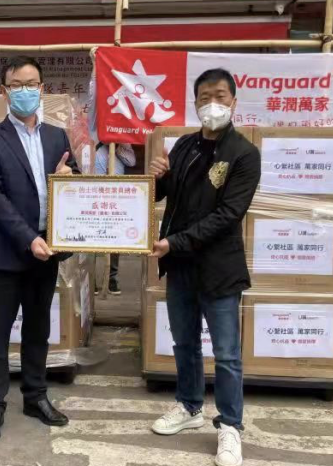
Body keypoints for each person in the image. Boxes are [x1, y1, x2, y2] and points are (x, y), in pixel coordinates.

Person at [148, 68, 261, 466]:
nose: (213, 104)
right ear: (195, 103)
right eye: (204, 97)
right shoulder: (184, 146)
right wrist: (158, 178)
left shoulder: (244, 154)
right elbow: (165, 196)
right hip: (180, 266)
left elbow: (228, 215)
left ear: (234, 101)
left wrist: (172, 242)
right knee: (184, 342)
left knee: (226, 353)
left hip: (219, 268)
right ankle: (190, 406)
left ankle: (230, 425)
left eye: (220, 96)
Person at [0, 56, 80, 445]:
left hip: (47, 251)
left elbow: (74, 183)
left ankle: (35, 396)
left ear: (42, 89)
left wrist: (70, 175)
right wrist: (27, 238)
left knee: (38, 329)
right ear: (4, 92)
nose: (25, 91)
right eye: (16, 85)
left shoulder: (57, 137)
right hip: (5, 253)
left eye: (31, 84)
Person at [94, 142, 136, 295]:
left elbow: (131, 161)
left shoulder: (124, 144)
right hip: (95, 196)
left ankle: (112, 278)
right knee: (92, 238)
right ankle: (92, 279)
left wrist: (117, 147)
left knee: (115, 238)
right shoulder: (96, 145)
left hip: (117, 196)